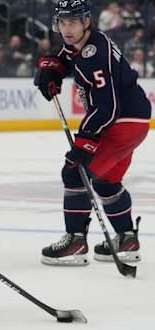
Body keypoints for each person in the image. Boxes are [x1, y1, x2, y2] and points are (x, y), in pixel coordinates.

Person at [34, 0, 151, 266]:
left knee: (76, 171)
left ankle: (75, 240)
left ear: (86, 21)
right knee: (105, 182)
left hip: (121, 122)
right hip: (132, 121)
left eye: (73, 22)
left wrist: (85, 142)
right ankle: (126, 239)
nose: (67, 28)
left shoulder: (95, 55)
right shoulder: (86, 44)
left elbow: (106, 108)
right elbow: (66, 55)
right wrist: (52, 68)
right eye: (62, 22)